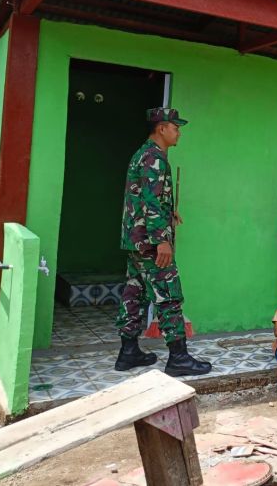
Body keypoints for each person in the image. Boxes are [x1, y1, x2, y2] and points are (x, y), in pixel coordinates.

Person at [115, 107, 211, 377]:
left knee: (134, 293)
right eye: (175, 127)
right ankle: (179, 357)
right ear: (161, 128)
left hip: (136, 240)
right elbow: (151, 200)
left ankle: (128, 352)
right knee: (168, 294)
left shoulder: (143, 154)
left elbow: (145, 197)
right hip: (150, 240)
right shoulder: (154, 158)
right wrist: (162, 240)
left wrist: (169, 213)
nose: (178, 132)